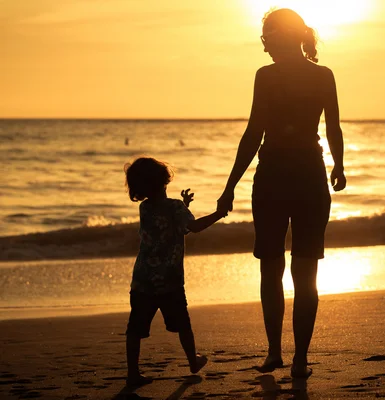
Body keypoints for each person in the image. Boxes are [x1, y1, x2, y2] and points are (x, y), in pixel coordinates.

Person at [217, 8, 347, 379]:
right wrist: (338, 165)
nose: (265, 48)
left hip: (275, 175)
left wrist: (230, 188)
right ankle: (296, 358)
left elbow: (254, 132)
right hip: (308, 173)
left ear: (282, 36)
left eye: (266, 39)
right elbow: (333, 128)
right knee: (303, 272)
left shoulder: (268, 77)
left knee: (272, 267)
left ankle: (279, 353)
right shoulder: (321, 75)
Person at [124, 157, 227, 386]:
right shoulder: (174, 207)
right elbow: (193, 227)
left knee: (136, 328)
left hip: (143, 279)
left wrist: (184, 207)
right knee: (183, 324)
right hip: (169, 280)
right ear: (164, 180)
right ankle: (193, 361)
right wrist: (219, 213)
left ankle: (133, 373)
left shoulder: (145, 207)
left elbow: (167, 226)